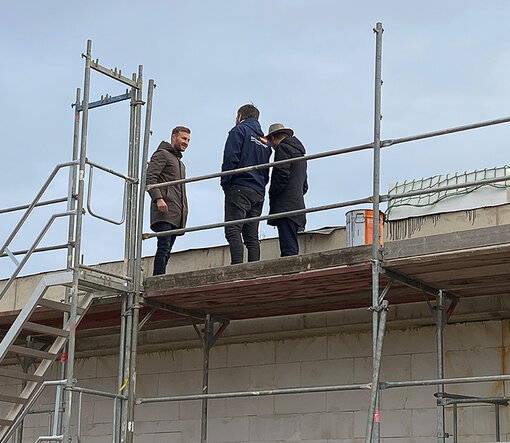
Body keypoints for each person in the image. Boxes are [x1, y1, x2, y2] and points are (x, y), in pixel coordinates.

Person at [221, 104, 272, 264]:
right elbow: (266, 169)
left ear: (240, 116)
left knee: (233, 229)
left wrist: (225, 183)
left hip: (239, 186)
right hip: (258, 191)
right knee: (251, 235)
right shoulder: (265, 142)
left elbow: (230, 158)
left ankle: (237, 268)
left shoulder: (239, 130)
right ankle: (253, 271)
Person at [146, 126, 190, 275]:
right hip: (164, 210)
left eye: (188, 140)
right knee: (163, 247)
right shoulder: (162, 154)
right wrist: (158, 198)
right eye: (183, 138)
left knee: (167, 250)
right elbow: (150, 177)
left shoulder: (181, 164)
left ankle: (160, 277)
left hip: (176, 212)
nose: (186, 142)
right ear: (173, 137)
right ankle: (157, 278)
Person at [266, 123, 308, 256]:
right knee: (291, 246)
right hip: (298, 206)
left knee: (288, 250)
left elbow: (281, 174)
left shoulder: (282, 148)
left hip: (285, 206)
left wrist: (272, 193)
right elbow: (305, 186)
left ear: (273, 137)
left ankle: (292, 269)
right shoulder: (301, 155)